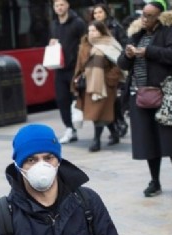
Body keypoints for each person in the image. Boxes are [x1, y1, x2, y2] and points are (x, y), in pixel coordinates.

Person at [117, 2, 172, 198]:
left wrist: (148, 51)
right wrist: (128, 56)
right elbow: (121, 63)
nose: (145, 18)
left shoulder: (169, 30)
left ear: (160, 16)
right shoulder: (137, 34)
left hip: (166, 95)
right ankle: (155, 181)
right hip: (140, 96)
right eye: (143, 14)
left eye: (150, 15)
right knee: (148, 141)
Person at [73, 21, 124, 152]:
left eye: (95, 30)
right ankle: (114, 132)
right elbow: (80, 65)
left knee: (98, 113)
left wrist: (110, 79)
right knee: (102, 112)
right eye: (90, 31)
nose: (92, 33)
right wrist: (77, 78)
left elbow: (120, 65)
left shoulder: (110, 44)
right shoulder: (84, 46)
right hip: (89, 84)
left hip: (105, 85)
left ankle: (96, 140)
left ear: (102, 31)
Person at [49, 0, 87, 144]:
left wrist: (82, 67)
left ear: (67, 6)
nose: (59, 8)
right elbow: (53, 42)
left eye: (62, 5)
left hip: (74, 69)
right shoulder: (53, 24)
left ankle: (110, 125)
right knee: (62, 100)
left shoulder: (78, 23)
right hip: (59, 69)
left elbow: (84, 44)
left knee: (79, 99)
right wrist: (52, 43)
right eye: (57, 5)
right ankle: (70, 129)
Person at [92, 3, 129, 139]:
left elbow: (122, 46)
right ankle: (117, 125)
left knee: (114, 99)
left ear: (106, 13)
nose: (97, 15)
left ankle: (120, 123)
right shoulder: (93, 29)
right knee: (107, 101)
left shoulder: (115, 26)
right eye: (95, 13)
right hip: (99, 71)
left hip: (114, 68)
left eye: (100, 12)